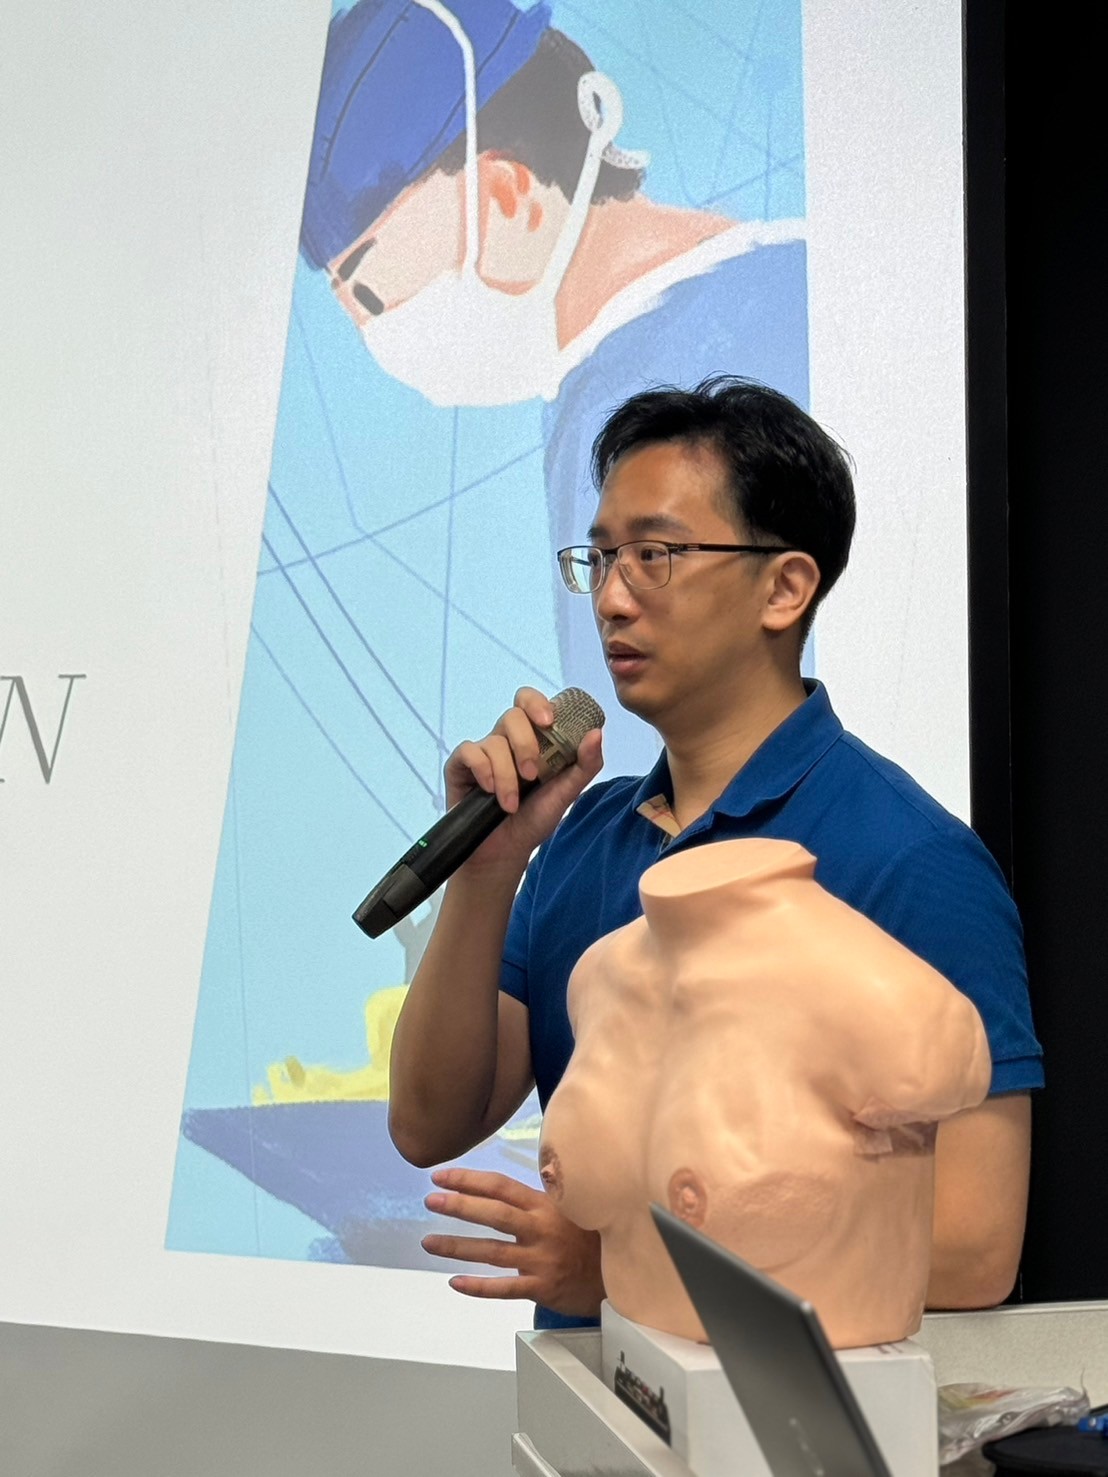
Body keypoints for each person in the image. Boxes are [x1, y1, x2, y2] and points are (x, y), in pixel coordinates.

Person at [387, 376, 1043, 1328]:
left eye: (654, 555)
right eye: (601, 557)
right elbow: (429, 1120)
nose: (611, 598)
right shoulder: (585, 835)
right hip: (588, 1396)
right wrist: (488, 872)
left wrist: (621, 1262)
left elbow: (975, 1245)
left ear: (785, 588)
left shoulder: (911, 855)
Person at [300, 0, 807, 773]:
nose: (376, 332)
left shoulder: (691, 374)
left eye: (370, 289)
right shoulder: (608, 375)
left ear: (509, 197)